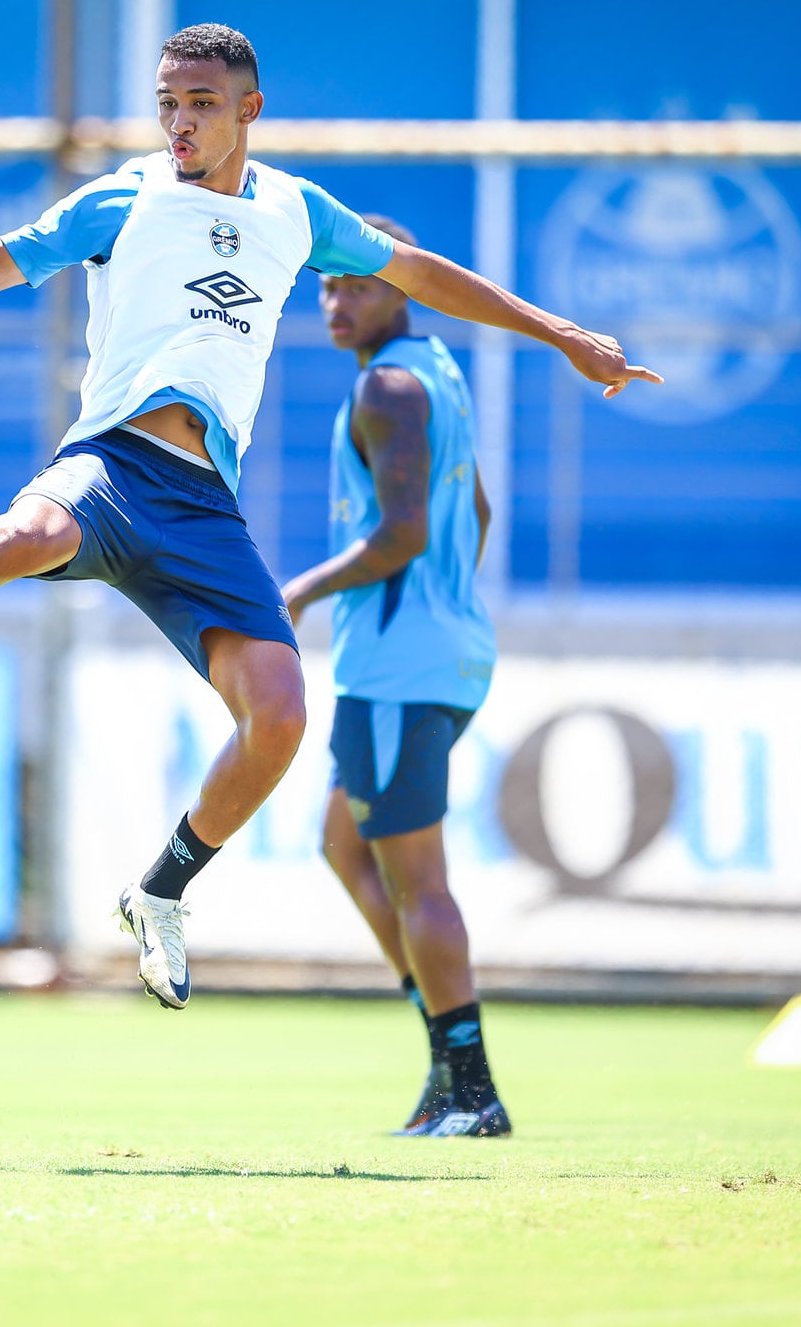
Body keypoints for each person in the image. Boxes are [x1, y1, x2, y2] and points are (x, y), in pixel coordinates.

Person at [0, 24, 658, 1011]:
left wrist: (563, 334)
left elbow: (417, 272)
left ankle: (160, 891)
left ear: (247, 111)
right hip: (108, 463)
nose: (178, 122)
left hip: (199, 504)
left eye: (198, 104)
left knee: (276, 715)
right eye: (166, 103)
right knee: (30, 536)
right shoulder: (122, 197)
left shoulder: (294, 211)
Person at [279, 215, 507, 1137]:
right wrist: (444, 604)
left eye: (358, 284)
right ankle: (446, 1058)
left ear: (403, 288)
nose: (337, 301)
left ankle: (471, 1087)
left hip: (397, 663)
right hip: (441, 648)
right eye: (327, 286)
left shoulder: (385, 386)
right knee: (344, 841)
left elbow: (404, 533)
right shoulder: (439, 371)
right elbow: (476, 509)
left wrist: (300, 589)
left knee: (419, 882)